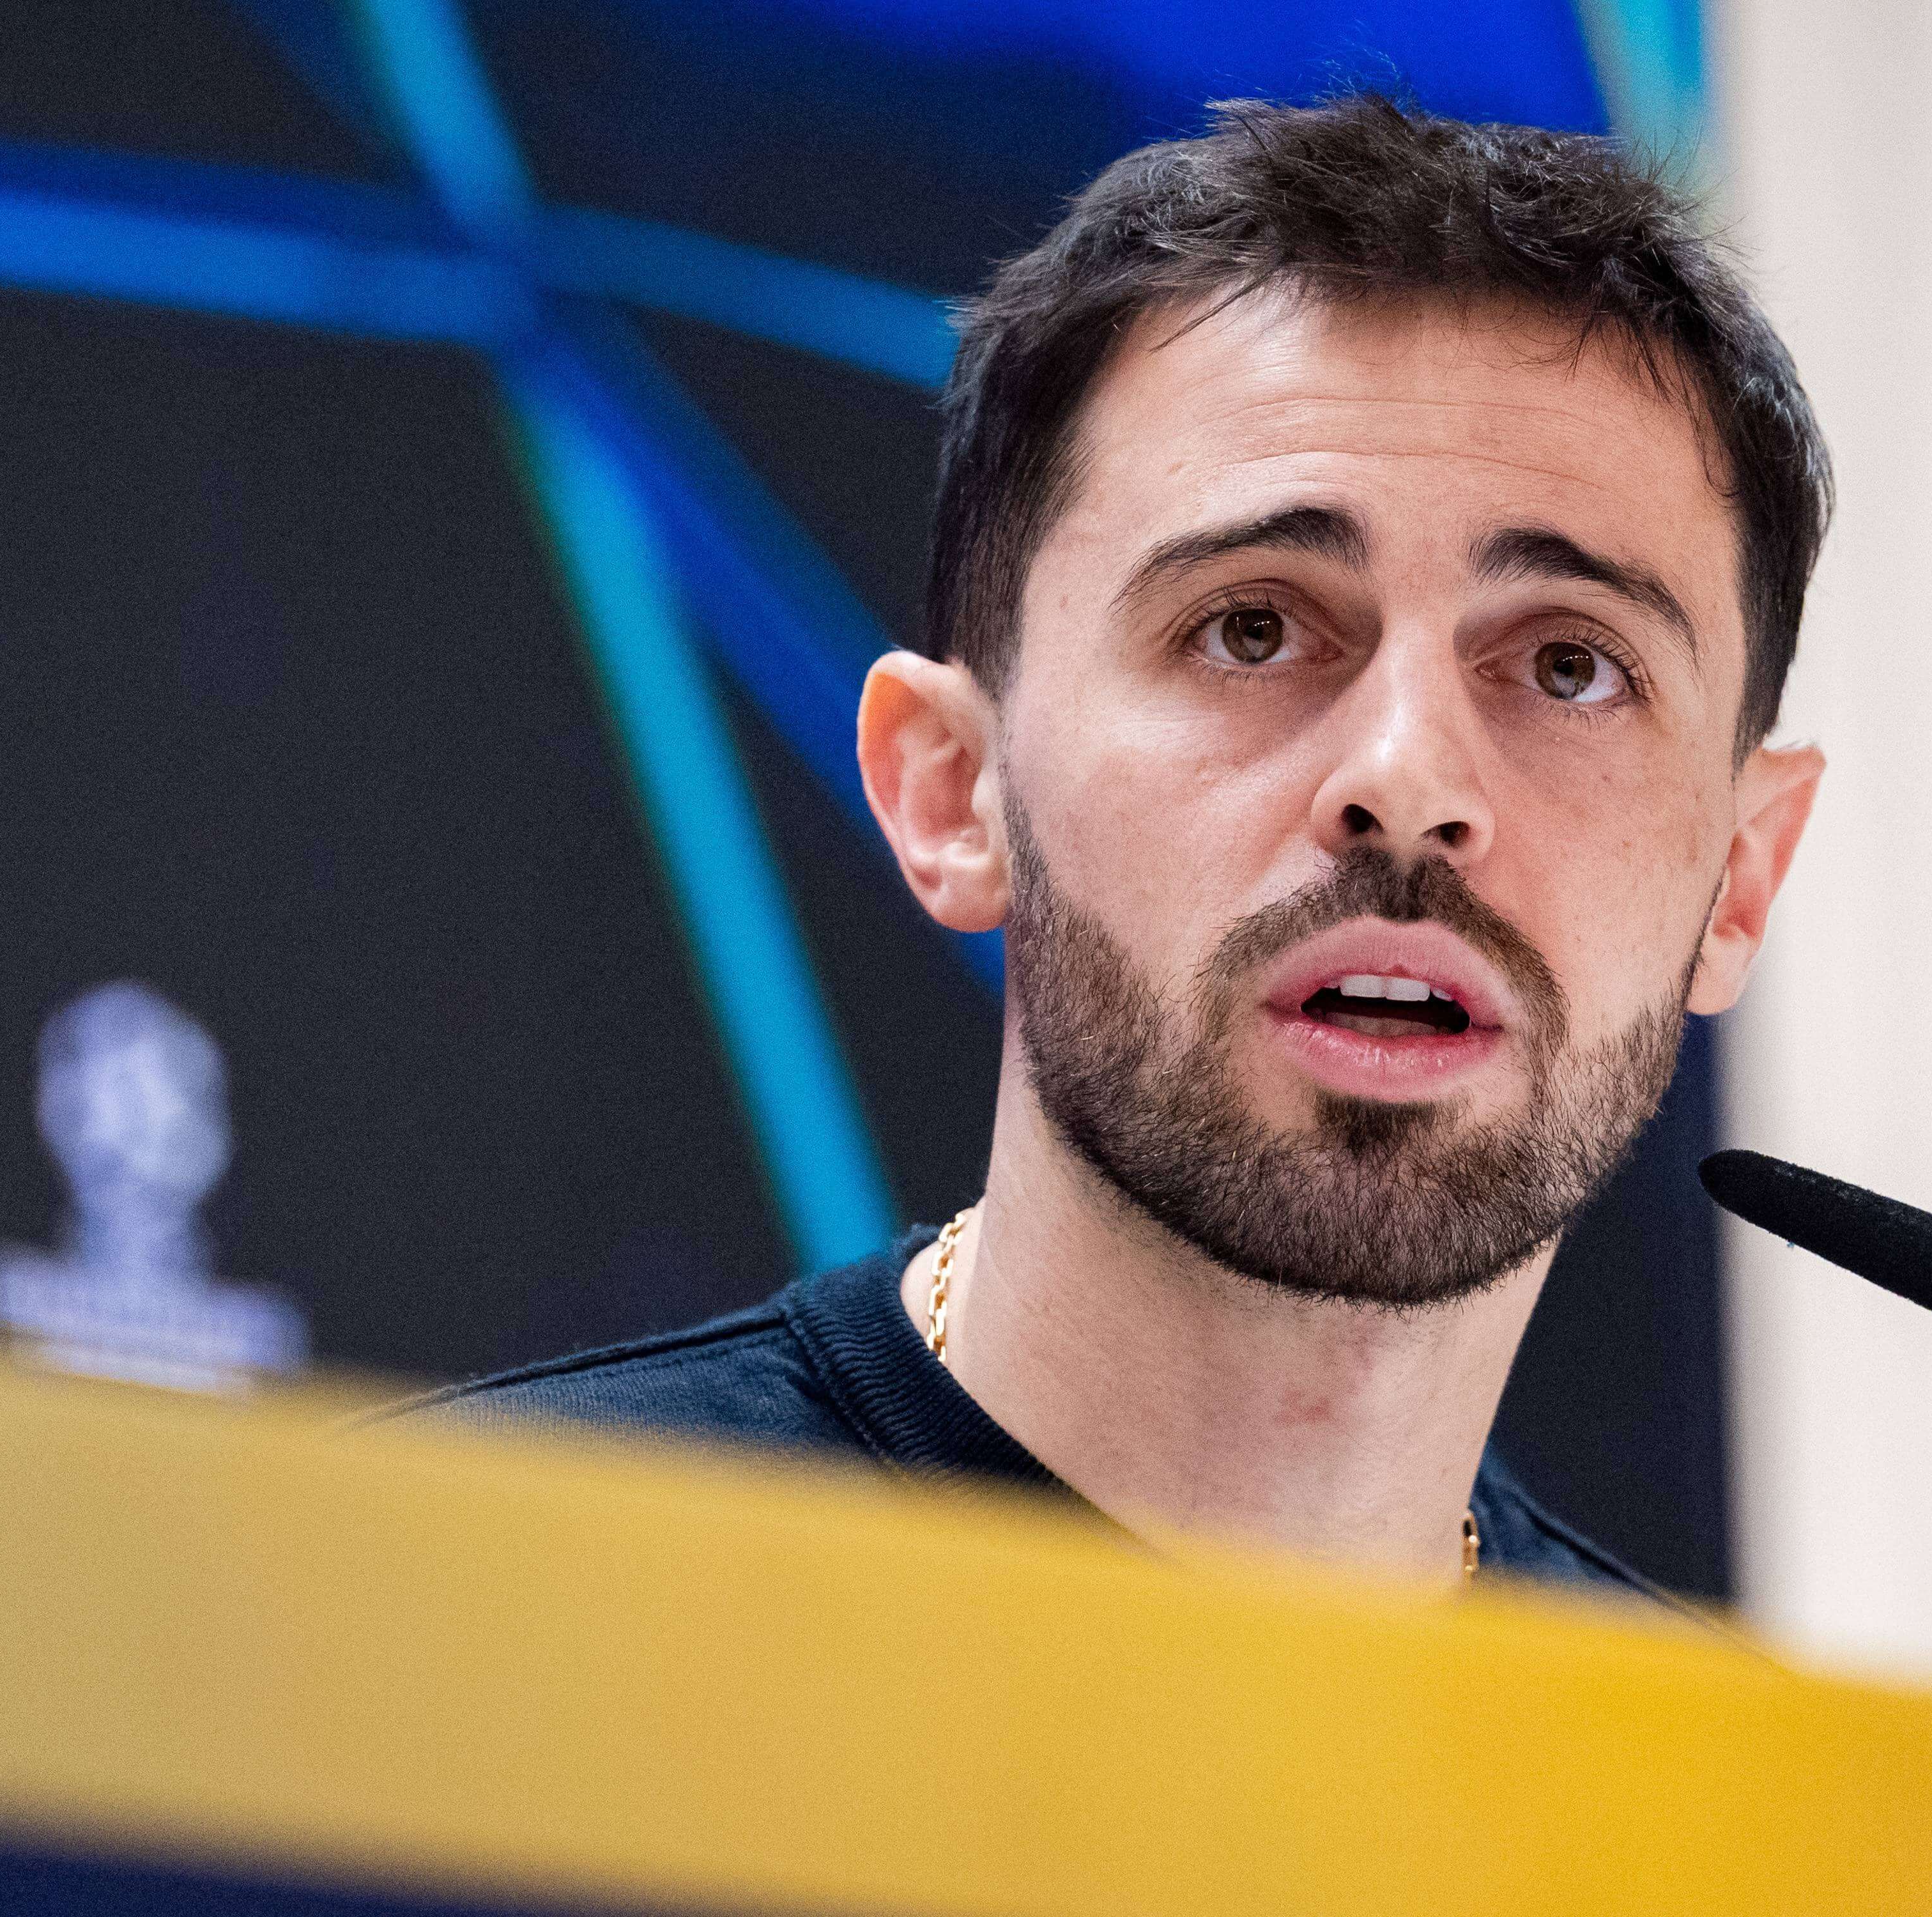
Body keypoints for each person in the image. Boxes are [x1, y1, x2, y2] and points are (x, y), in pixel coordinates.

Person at [408, 93, 1830, 1597]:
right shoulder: (431, 1621)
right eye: (1255, 627)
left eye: (1568, 668)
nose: (1409, 782)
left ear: (1739, 879)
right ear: (953, 790)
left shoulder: (1748, 1816)